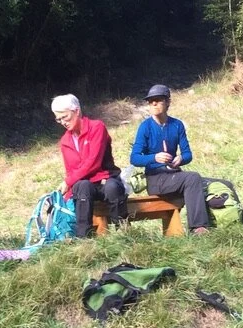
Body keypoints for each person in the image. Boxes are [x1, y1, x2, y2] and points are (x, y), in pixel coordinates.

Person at [129, 84, 210, 235]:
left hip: (174, 175)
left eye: (158, 100)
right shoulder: (145, 127)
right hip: (155, 179)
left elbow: (188, 154)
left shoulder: (177, 125)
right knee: (193, 178)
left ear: (168, 102)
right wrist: (154, 157)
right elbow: (134, 158)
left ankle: (211, 223)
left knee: (209, 182)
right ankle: (198, 227)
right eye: (150, 101)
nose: (153, 103)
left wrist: (180, 159)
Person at [51, 94, 128, 237]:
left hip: (106, 179)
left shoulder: (97, 127)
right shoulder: (65, 141)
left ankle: (123, 234)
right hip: (86, 185)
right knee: (83, 186)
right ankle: (84, 239)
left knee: (112, 187)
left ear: (77, 111)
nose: (63, 122)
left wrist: (68, 182)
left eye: (65, 117)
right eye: (59, 119)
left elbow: (94, 162)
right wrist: (66, 195)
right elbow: (71, 171)